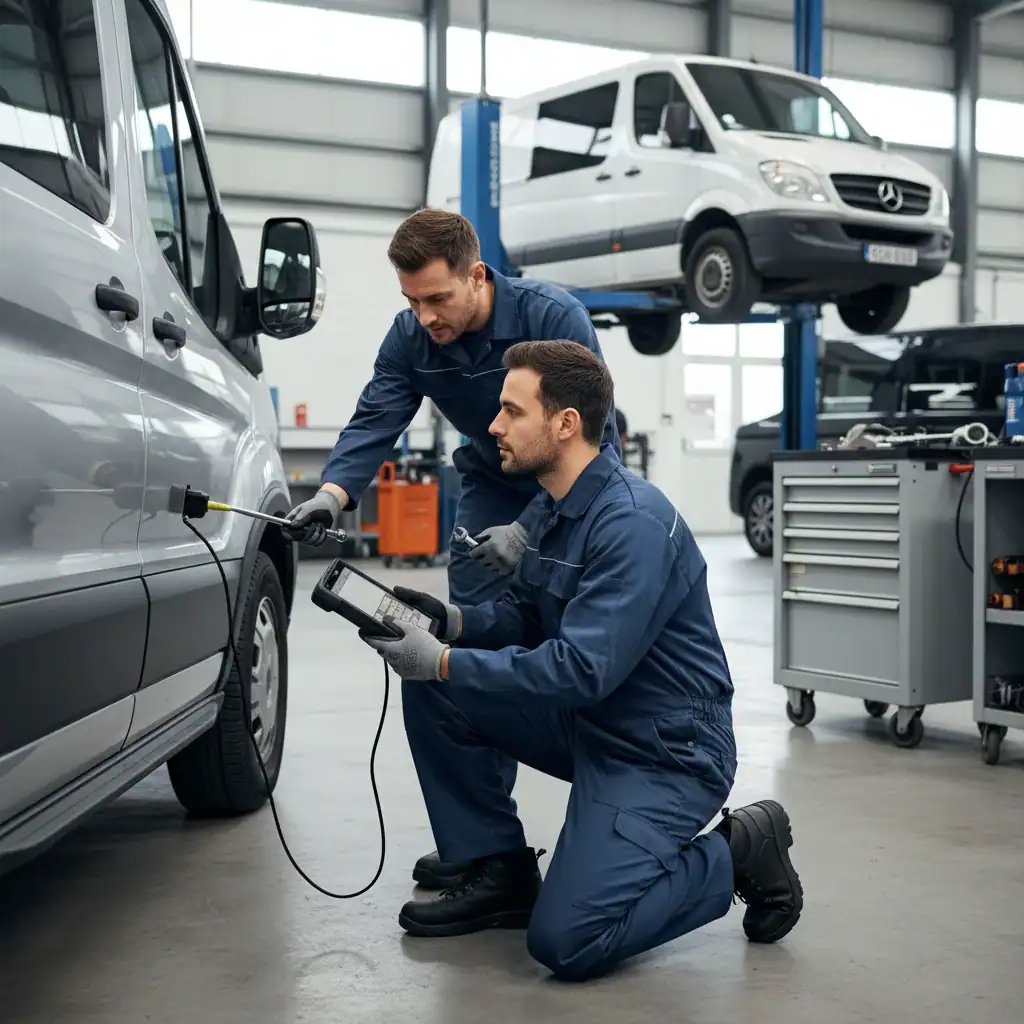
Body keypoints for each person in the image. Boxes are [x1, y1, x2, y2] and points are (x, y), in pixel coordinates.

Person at [359, 340, 803, 982]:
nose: (493, 426)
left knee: (568, 940)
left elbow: (577, 668)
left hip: (665, 750)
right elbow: (522, 616)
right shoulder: (558, 511)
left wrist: (446, 661)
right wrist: (450, 623)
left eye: (512, 412)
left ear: (565, 424)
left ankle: (739, 852)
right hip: (591, 723)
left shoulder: (632, 524)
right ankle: (499, 867)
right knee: (435, 689)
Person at [280, 209, 622, 889]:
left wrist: (533, 528)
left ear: (477, 276)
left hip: (572, 480)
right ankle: (486, 843)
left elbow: (593, 435)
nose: (425, 316)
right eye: (411, 301)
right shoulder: (411, 337)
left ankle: (600, 793)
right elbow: (377, 415)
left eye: (437, 298)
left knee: (549, 631)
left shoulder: (553, 318)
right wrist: (334, 496)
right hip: (492, 482)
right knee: (459, 653)